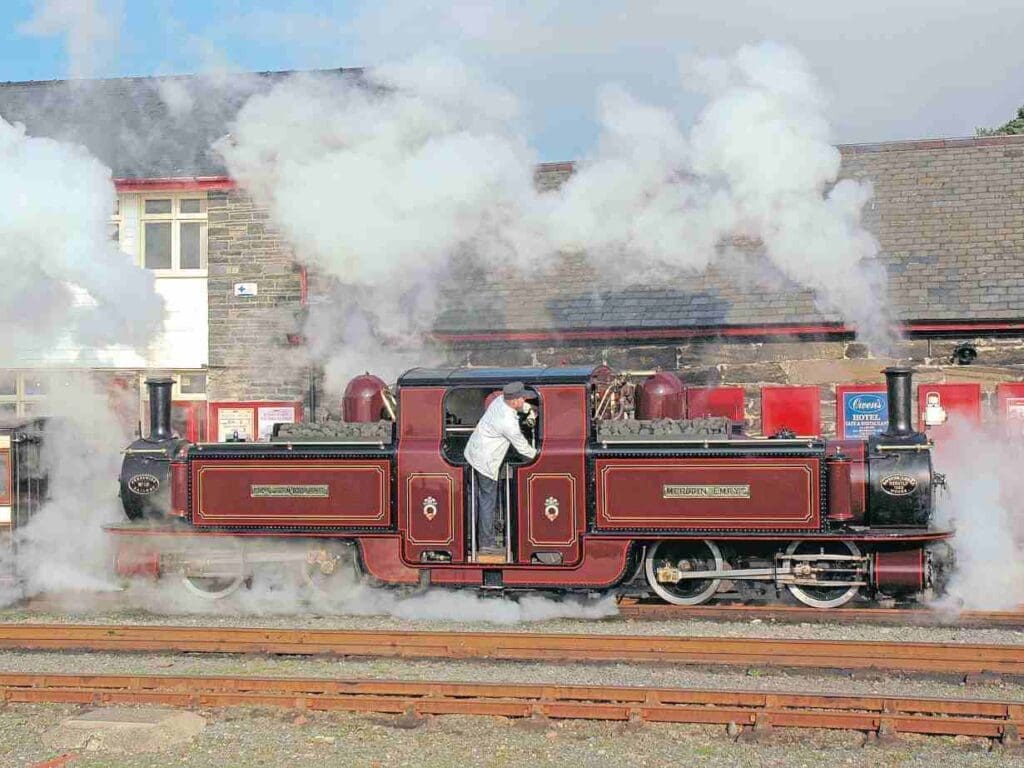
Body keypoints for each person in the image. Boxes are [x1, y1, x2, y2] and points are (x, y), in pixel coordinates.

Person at [464, 381, 538, 555]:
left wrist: (529, 410)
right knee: (487, 502)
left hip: (473, 454)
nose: (524, 400)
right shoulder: (507, 422)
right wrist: (542, 458)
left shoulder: (500, 400)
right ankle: (486, 543)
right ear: (514, 401)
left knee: (474, 500)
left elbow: (520, 405)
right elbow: (523, 449)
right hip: (485, 462)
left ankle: (471, 539)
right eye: (522, 398)